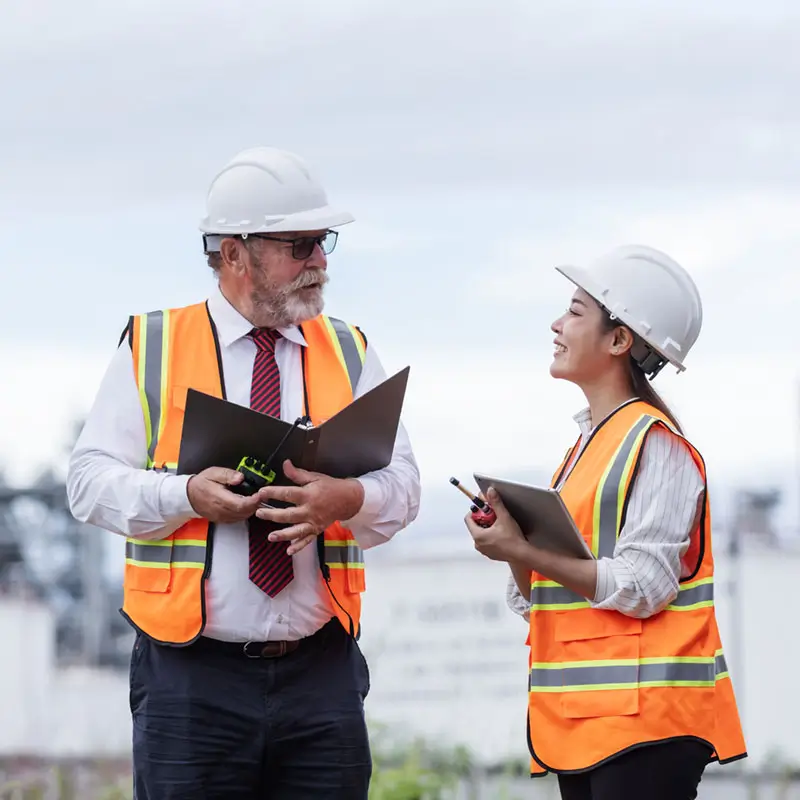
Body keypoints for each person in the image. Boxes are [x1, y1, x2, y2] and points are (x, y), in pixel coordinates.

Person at [66, 146, 421, 799]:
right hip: (191, 682)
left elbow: (403, 489)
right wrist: (185, 495)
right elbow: (87, 484)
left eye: (323, 242)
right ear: (234, 254)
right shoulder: (154, 346)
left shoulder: (348, 349)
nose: (320, 262)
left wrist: (345, 498)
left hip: (321, 677)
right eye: (300, 245)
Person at [463, 245, 746, 800]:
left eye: (574, 311)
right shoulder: (581, 454)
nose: (556, 324)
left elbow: (644, 586)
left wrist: (523, 550)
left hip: (646, 725)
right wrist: (512, 547)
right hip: (583, 723)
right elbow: (540, 601)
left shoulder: (655, 445)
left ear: (618, 340)